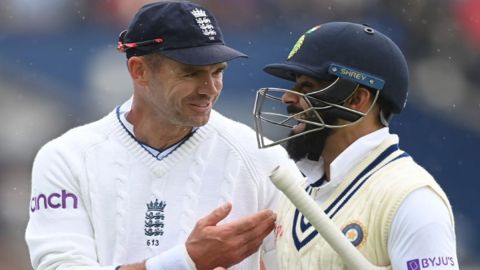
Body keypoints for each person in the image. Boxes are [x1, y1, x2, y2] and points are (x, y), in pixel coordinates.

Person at [25, 1, 303, 270]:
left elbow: (305, 261)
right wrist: (186, 263)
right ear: (139, 71)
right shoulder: (66, 157)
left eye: (218, 72)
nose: (209, 88)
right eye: (191, 73)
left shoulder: (263, 156)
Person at [253, 22, 459, 269]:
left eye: (306, 87)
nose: (288, 97)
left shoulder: (411, 199)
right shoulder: (295, 192)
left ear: (356, 100)